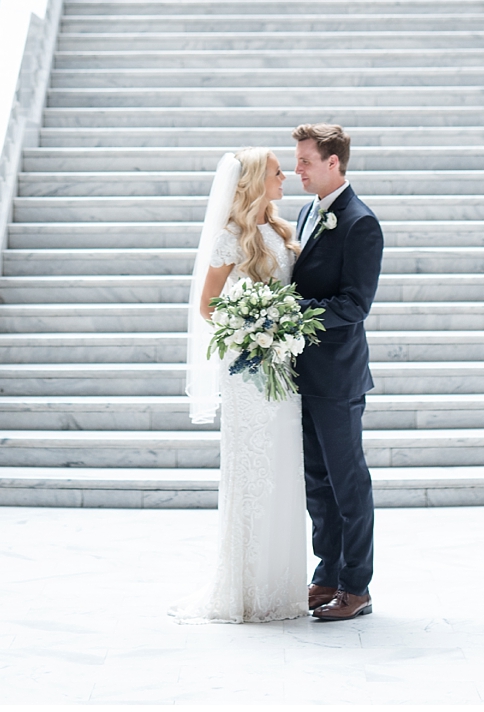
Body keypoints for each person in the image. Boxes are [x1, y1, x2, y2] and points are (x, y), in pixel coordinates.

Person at [181, 148, 308, 623]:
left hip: (283, 368)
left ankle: (282, 587)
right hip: (247, 370)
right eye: (278, 172)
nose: (285, 178)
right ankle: (244, 589)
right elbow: (208, 306)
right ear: (256, 180)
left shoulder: (279, 230)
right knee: (251, 471)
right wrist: (250, 328)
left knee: (282, 469)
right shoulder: (230, 239)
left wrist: (278, 330)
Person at [288, 123, 381, 620]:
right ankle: (326, 575)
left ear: (333, 163)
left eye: (304, 160)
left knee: (348, 483)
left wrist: (292, 317)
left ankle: (356, 586)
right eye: (297, 159)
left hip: (339, 376)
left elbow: (355, 304)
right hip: (304, 373)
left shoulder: (360, 222)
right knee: (317, 483)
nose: (295, 169)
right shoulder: (306, 212)